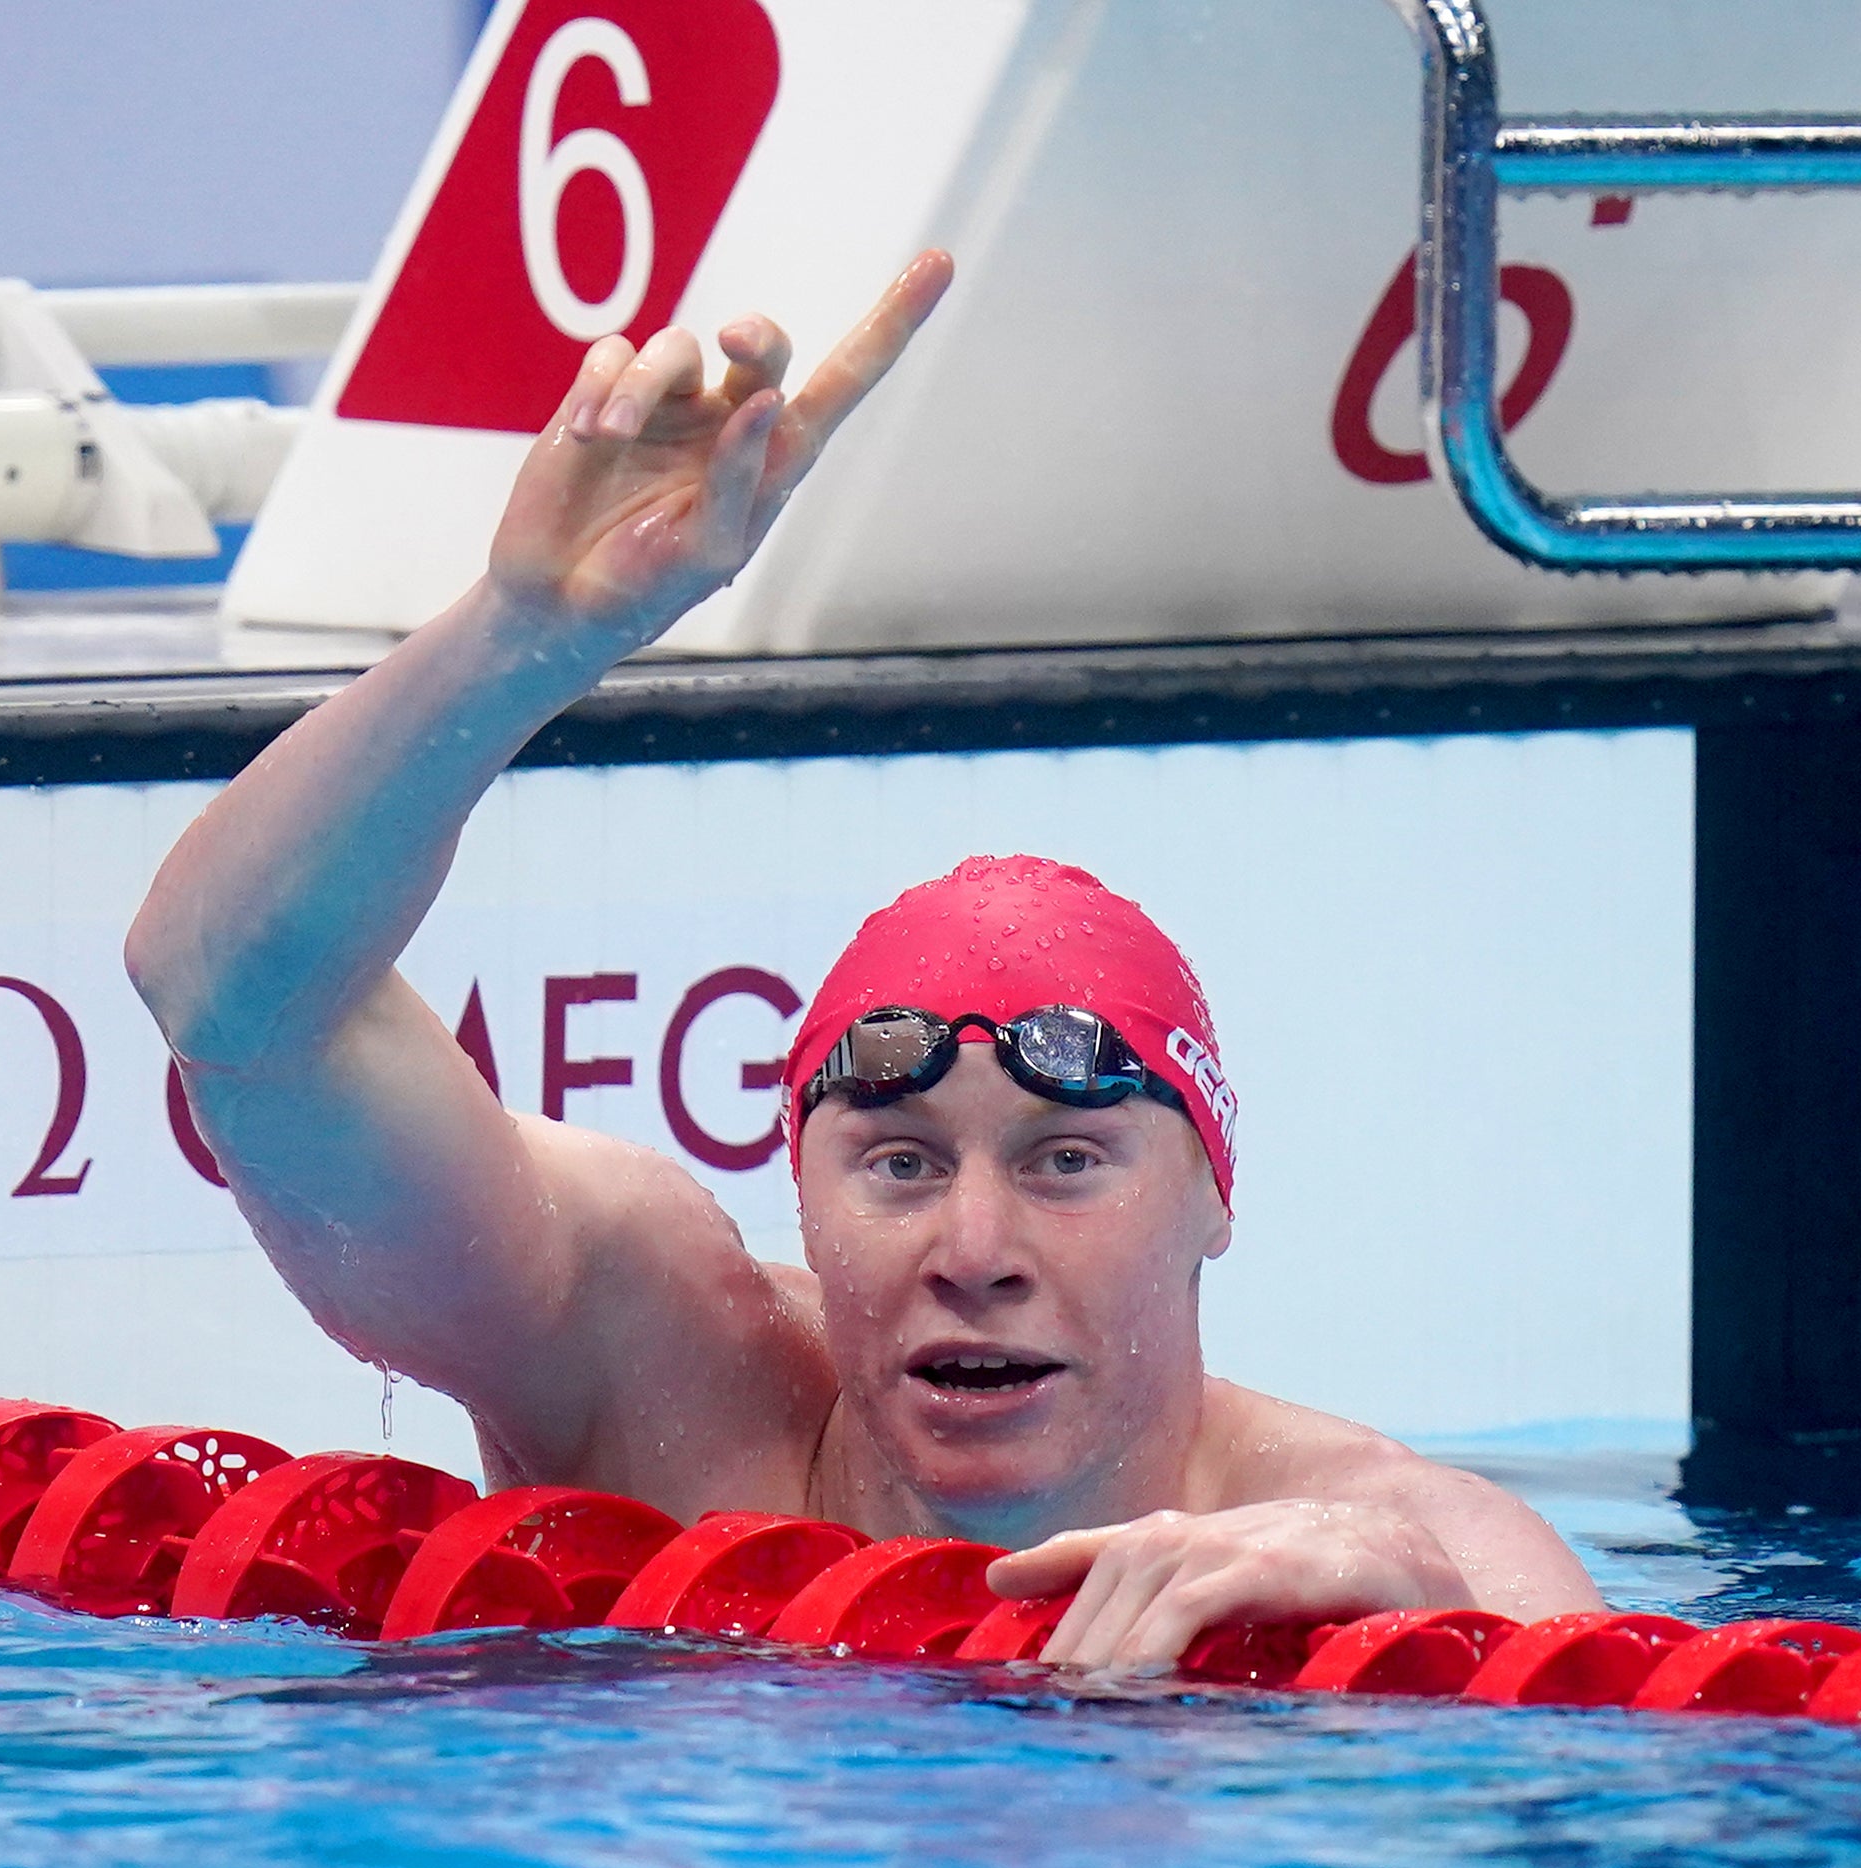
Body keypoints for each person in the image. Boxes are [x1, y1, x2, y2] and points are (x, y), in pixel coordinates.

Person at [126, 253, 1601, 1664]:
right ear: (803, 1192)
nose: (972, 1254)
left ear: (1214, 1196)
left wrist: (1422, 1639)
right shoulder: (644, 1367)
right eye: (896, 1162)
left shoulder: (1411, 1546)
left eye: (1065, 1161)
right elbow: (232, 998)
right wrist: (523, 638)